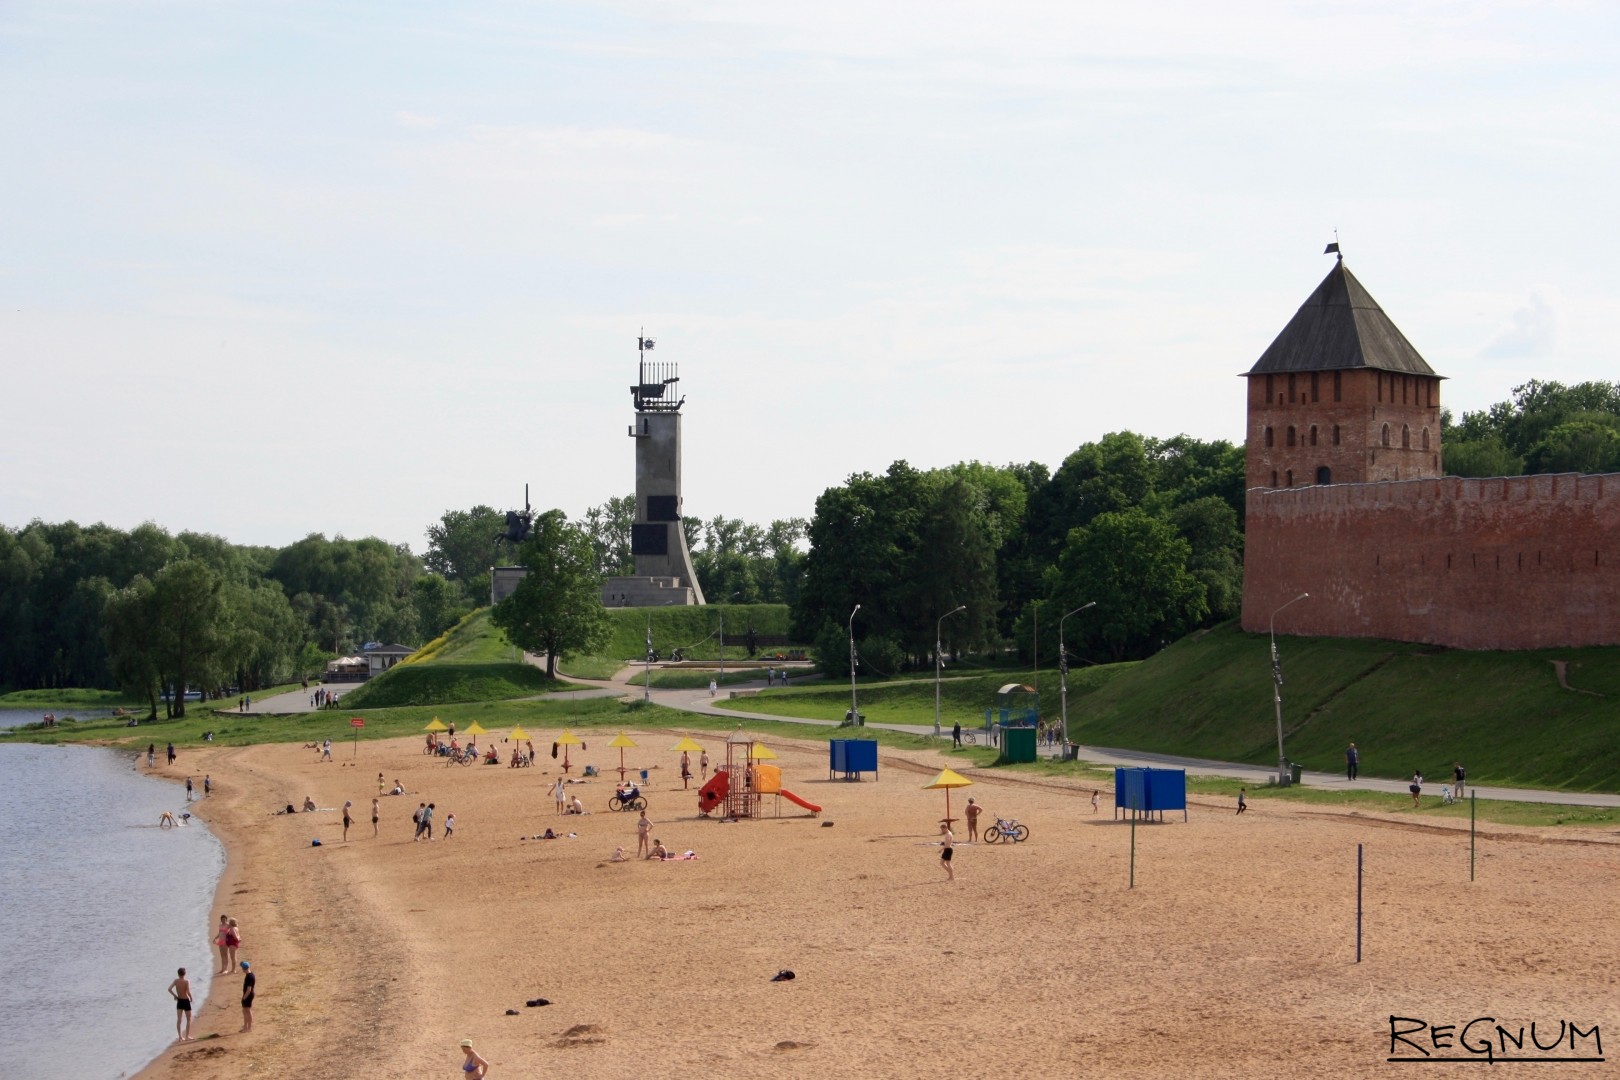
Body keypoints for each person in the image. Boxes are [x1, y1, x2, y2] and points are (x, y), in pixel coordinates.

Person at [168, 968, 194, 1041]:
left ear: (178, 974)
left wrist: (175, 996)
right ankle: (187, 1036)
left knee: (179, 1019)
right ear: (184, 974)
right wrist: (191, 998)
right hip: (185, 1000)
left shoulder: (176, 981)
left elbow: (169, 989)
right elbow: (188, 992)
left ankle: (180, 1037)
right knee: (188, 1018)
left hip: (179, 1000)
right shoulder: (186, 981)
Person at [239, 960, 255, 1032]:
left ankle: (248, 1028)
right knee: (245, 1011)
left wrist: (244, 998)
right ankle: (246, 1026)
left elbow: (249, 989)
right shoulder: (251, 974)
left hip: (248, 996)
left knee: (247, 1011)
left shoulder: (249, 977)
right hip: (248, 995)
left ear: (243, 968)